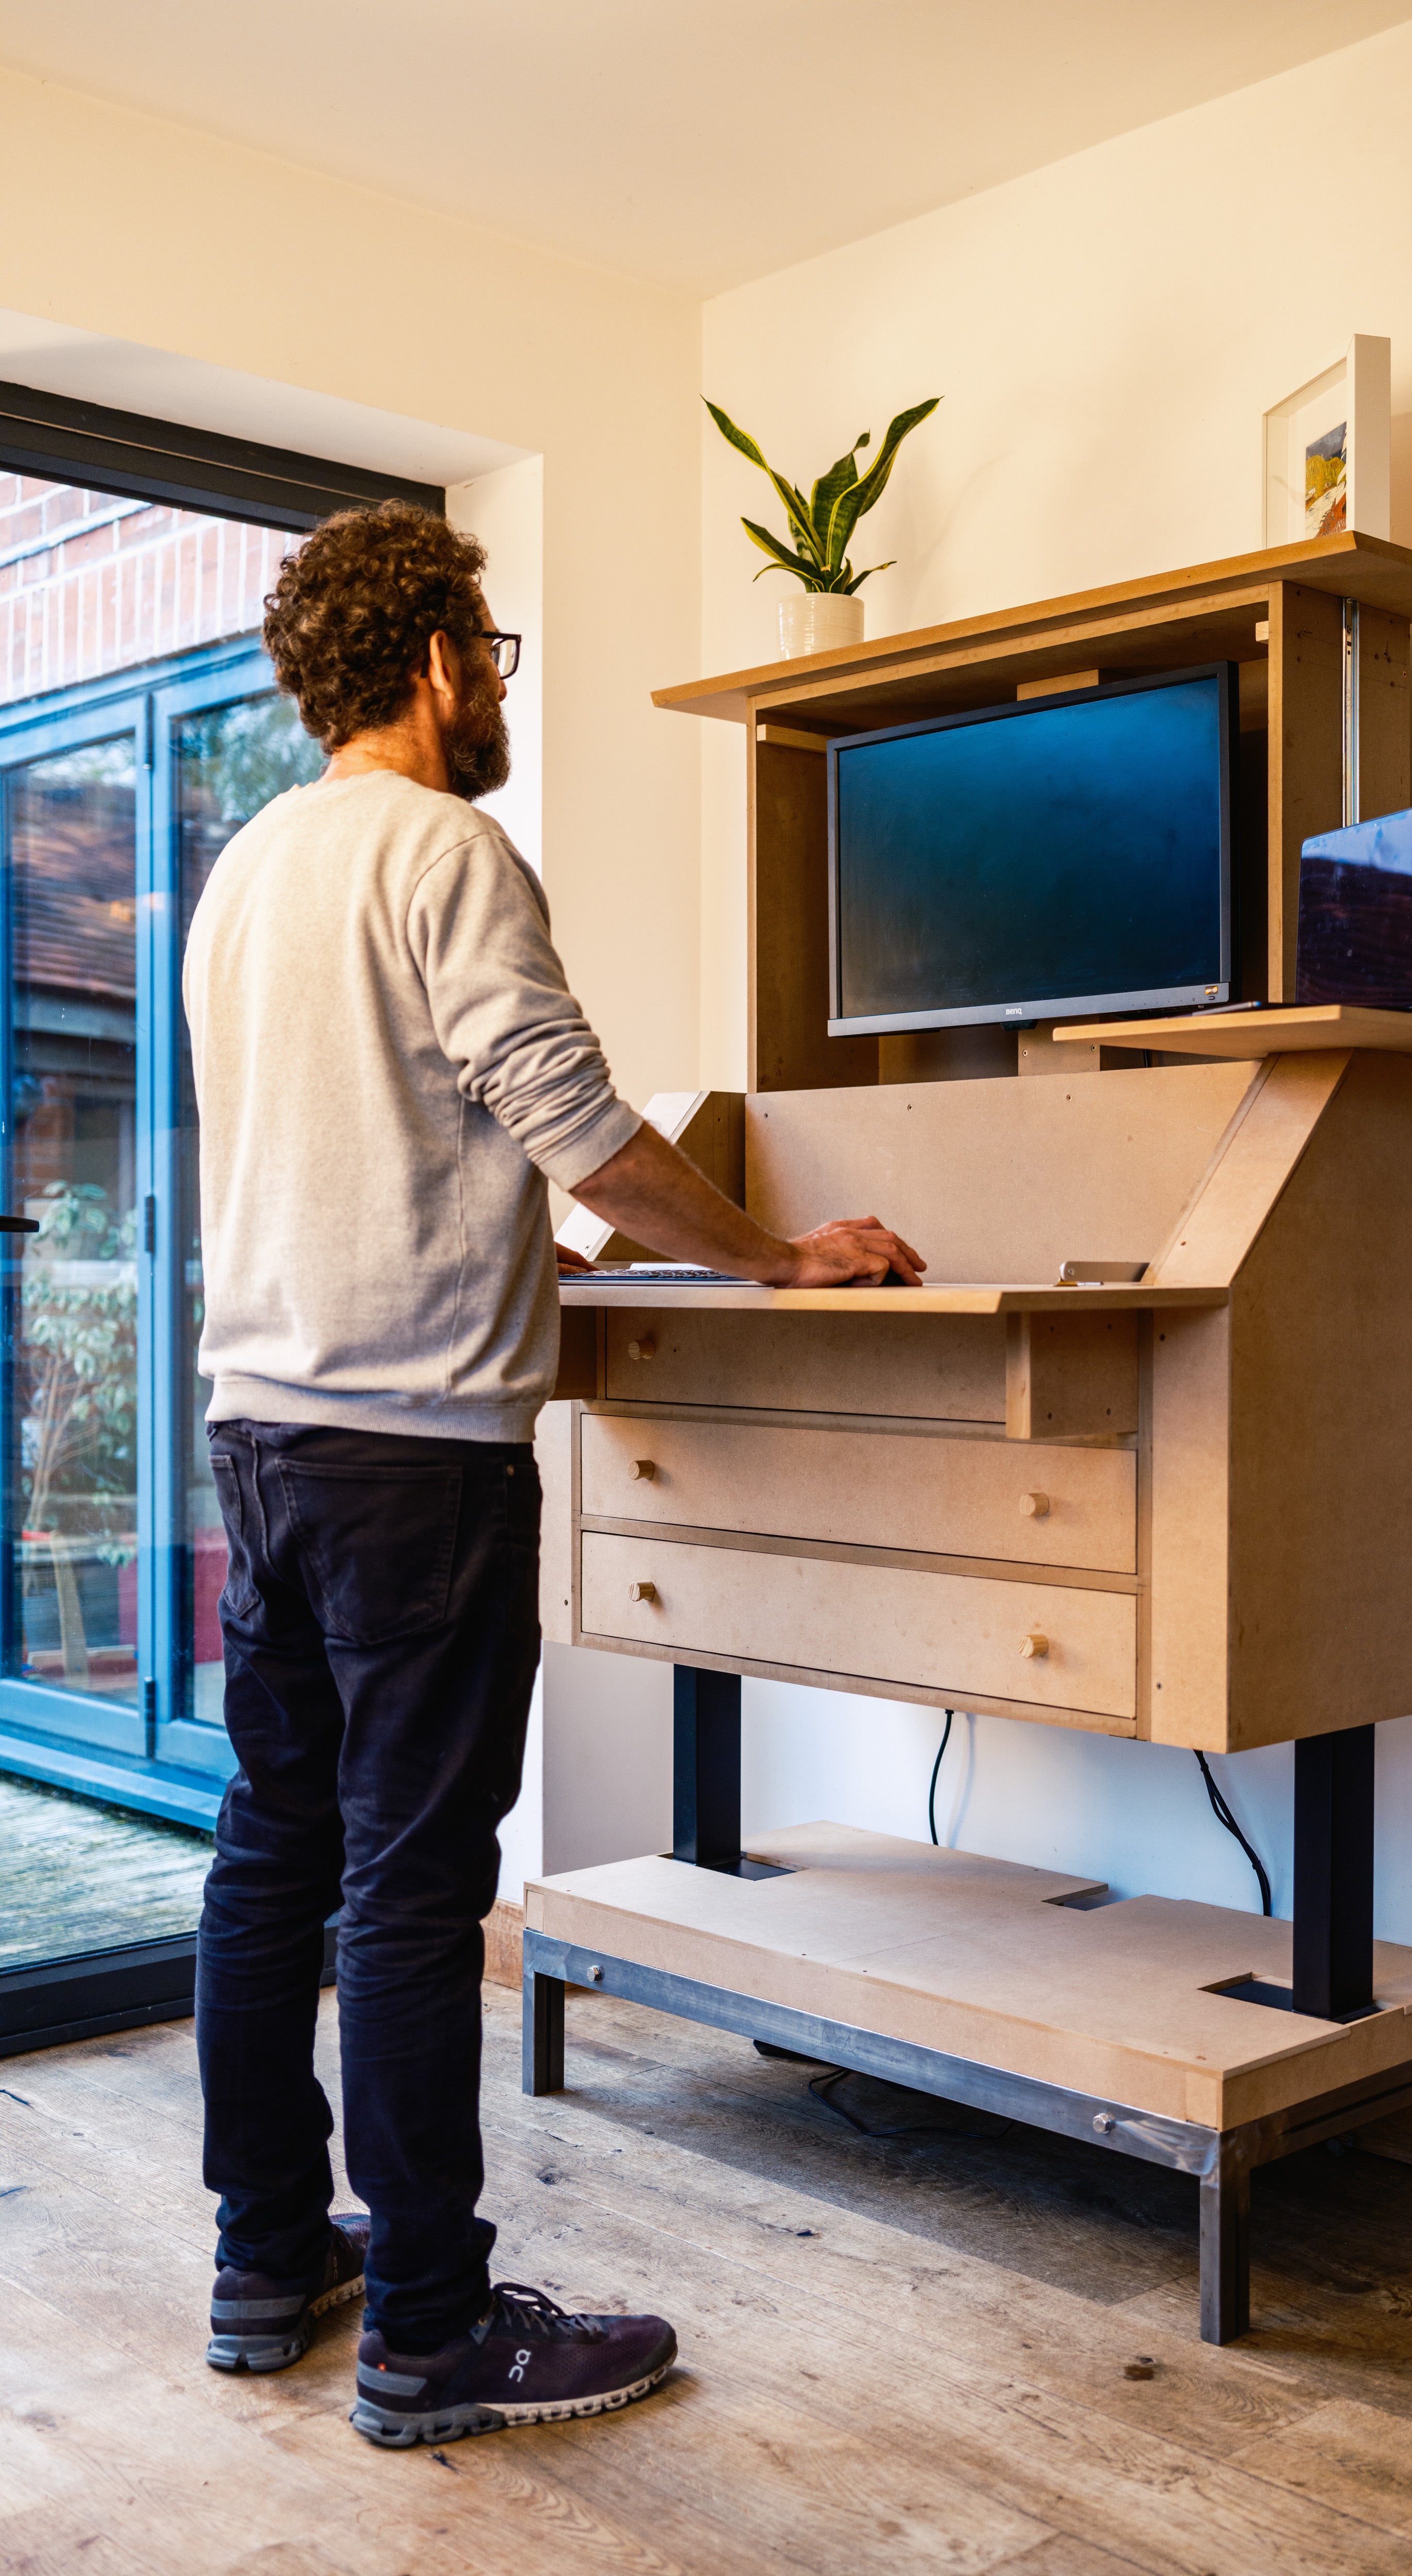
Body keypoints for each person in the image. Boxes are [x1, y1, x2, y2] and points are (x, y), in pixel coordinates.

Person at [185, 500, 922, 2448]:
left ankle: (271, 2257)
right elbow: (577, 1124)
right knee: (415, 1894)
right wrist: (780, 1255)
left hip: (261, 1436)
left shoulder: (246, 869)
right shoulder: (448, 849)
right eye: (489, 651)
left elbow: (372, 1150)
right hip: (418, 1460)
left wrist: (538, 1249)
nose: (495, 686)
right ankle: (433, 2334)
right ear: (439, 660)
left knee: (274, 1854)